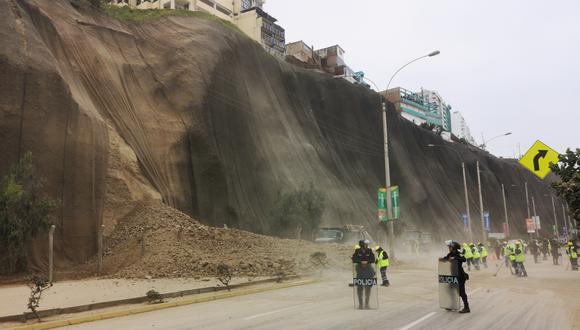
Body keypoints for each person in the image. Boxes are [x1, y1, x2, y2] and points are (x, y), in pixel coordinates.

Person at [440, 240, 470, 313]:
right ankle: (452, 305)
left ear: (453, 247)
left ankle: (467, 307)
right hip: (453, 276)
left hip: (460, 276)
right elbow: (447, 258)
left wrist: (454, 258)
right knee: (450, 290)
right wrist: (442, 259)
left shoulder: (457, 254)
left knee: (461, 292)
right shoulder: (450, 254)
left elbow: (464, 259)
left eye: (449, 247)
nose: (448, 248)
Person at [352, 239, 376, 309]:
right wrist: (361, 262)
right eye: (366, 244)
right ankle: (360, 304)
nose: (367, 245)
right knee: (359, 288)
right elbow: (354, 259)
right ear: (362, 245)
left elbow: (373, 259)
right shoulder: (357, 251)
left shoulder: (369, 251)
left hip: (368, 271)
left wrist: (367, 262)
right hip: (360, 271)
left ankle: (367, 304)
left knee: (368, 288)